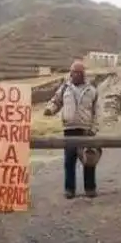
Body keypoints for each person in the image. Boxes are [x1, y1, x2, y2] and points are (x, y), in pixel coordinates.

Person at [44, 60, 101, 198]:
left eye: (77, 73)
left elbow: (97, 111)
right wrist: (50, 110)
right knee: (69, 160)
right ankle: (69, 189)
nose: (74, 75)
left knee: (88, 160)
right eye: (72, 72)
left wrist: (94, 128)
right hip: (69, 130)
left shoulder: (92, 90)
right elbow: (56, 101)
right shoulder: (65, 88)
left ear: (82, 74)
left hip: (86, 130)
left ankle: (90, 189)